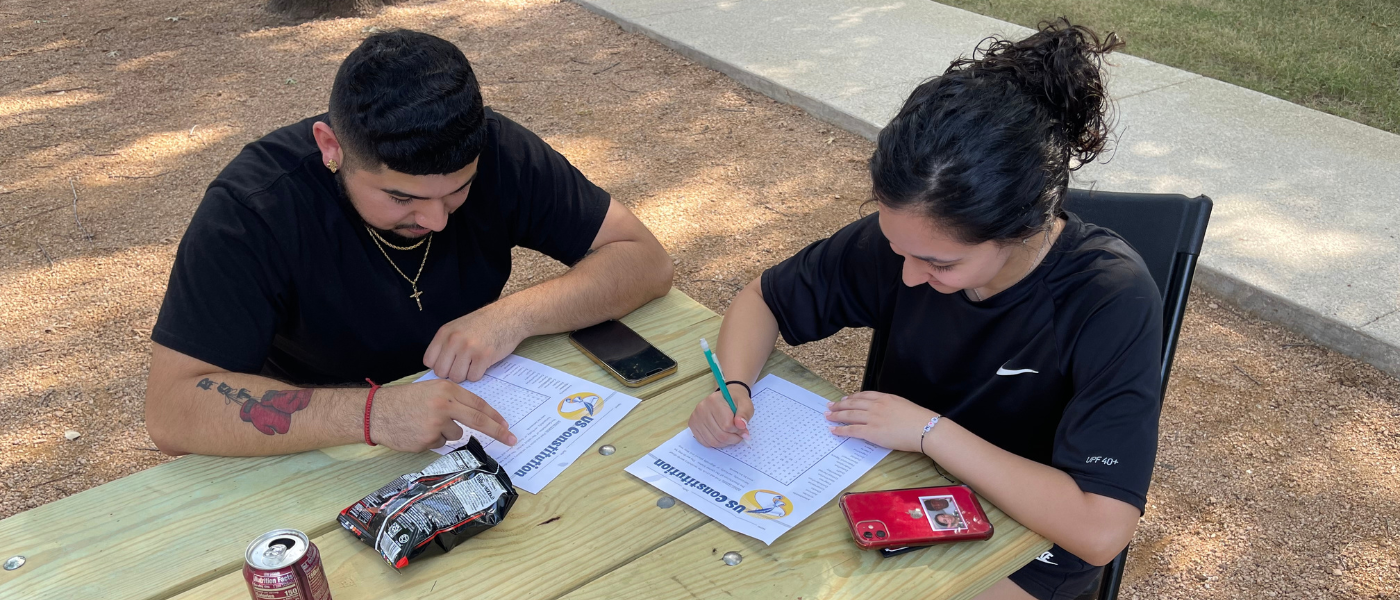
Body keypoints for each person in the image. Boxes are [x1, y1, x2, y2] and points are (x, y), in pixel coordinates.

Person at [688, 19, 1159, 600]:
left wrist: (930, 432)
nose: (909, 275)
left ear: (1020, 230)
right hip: (894, 490)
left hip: (1032, 537)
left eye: (939, 263)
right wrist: (735, 386)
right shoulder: (912, 240)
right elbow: (764, 299)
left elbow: (1100, 529)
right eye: (897, 248)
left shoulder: (1109, 296)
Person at [147, 30, 673, 457]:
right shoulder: (253, 209)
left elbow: (645, 260)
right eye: (401, 198)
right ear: (331, 147)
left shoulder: (495, 146)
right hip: (315, 439)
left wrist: (513, 316)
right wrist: (372, 414)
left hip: (475, 416)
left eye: (460, 189)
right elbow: (172, 411)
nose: (436, 220)